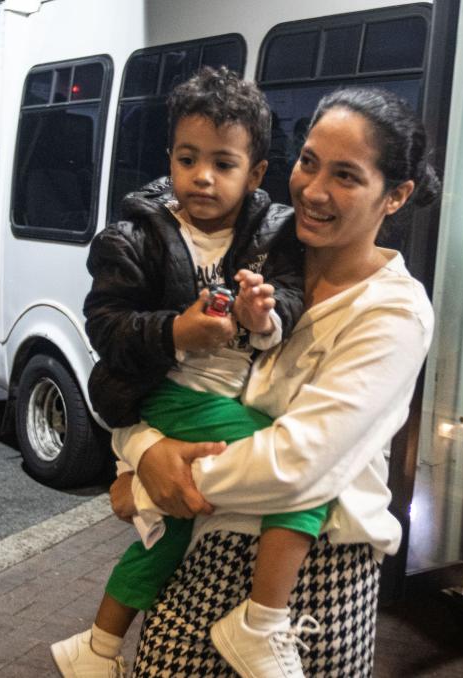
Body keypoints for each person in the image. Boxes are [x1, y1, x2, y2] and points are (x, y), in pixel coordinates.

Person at [105, 86, 438, 677]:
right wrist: (139, 447)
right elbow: (150, 371)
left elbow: (297, 464)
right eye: (308, 162)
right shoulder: (260, 260)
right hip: (204, 549)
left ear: (397, 196)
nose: (313, 190)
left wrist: (152, 485)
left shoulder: (392, 314)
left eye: (346, 176)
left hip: (312, 576)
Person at [50, 66, 331, 677]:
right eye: (187, 158)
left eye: (224, 164)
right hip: (169, 392)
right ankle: (261, 624)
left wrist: (264, 315)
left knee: (168, 537)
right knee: (305, 482)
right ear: (170, 160)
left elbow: (289, 296)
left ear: (255, 173)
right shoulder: (133, 236)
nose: (202, 176)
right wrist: (177, 331)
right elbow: (106, 326)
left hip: (229, 393)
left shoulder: (275, 232)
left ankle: (95, 649)